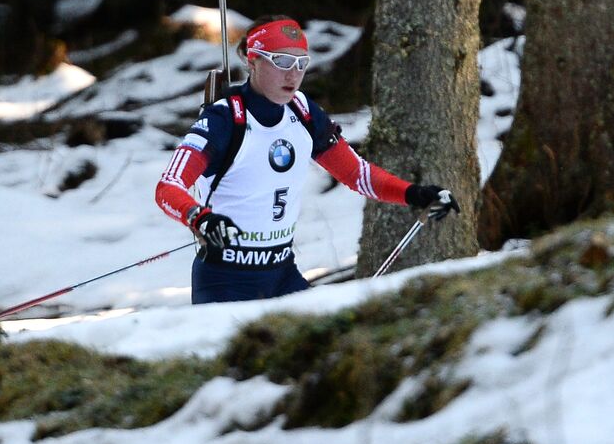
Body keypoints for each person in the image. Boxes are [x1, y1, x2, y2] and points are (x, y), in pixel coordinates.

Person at [155, 15, 458, 303]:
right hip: (225, 280)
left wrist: (415, 194)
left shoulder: (301, 110)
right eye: (282, 62)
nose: (293, 74)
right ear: (253, 60)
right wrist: (200, 218)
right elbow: (168, 187)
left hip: (283, 275)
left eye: (302, 64)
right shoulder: (224, 119)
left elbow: (357, 174)